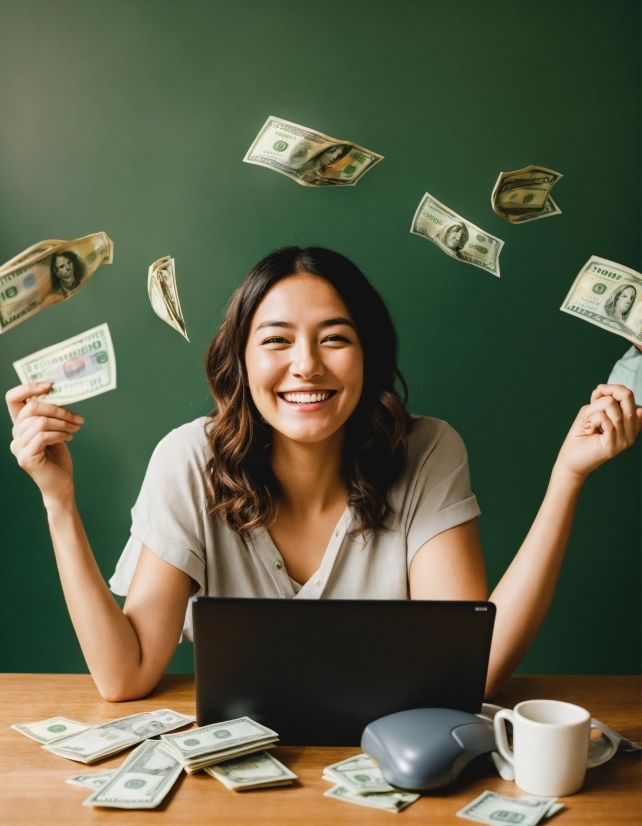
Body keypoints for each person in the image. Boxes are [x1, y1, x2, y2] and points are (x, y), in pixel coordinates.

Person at [6, 247, 642, 704]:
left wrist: (566, 479)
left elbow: (469, 674)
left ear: (369, 355)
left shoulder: (428, 451)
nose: (305, 366)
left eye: (334, 338)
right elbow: (126, 677)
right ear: (240, 361)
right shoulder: (187, 460)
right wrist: (58, 500)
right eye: (276, 341)